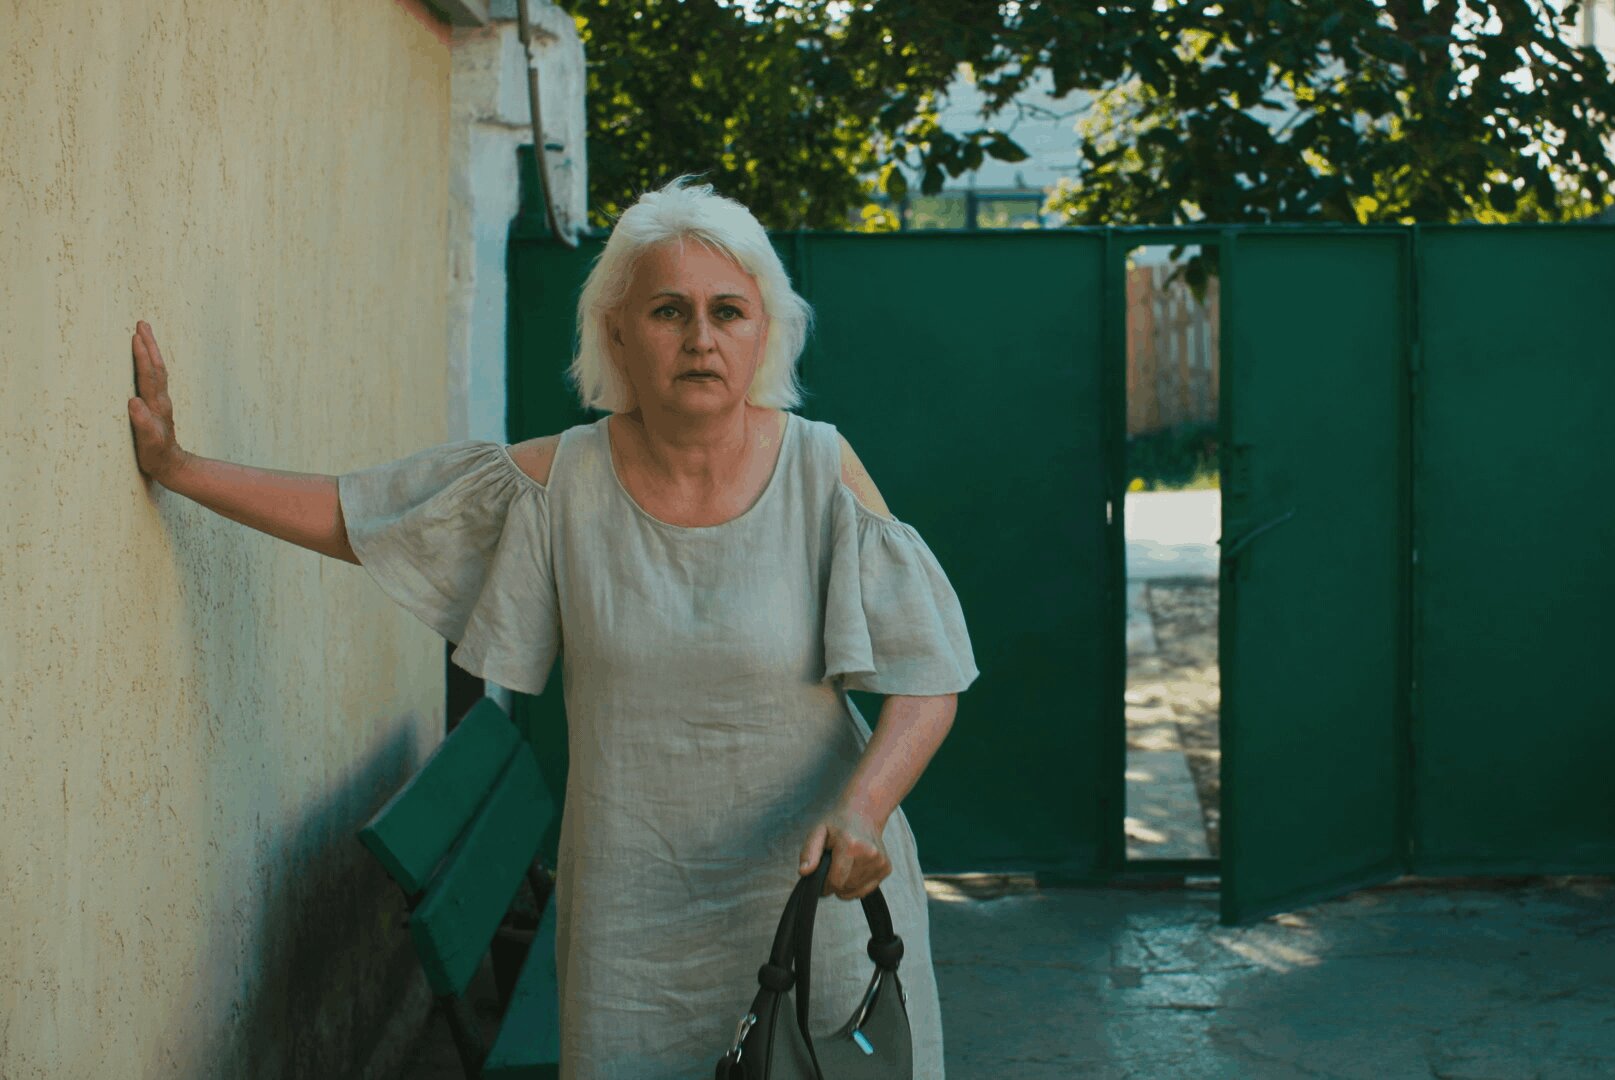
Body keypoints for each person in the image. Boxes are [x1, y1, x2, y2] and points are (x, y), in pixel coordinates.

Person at [126, 174, 979, 1078]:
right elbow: (364, 517)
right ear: (617, 332)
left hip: (815, 909)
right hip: (634, 937)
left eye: (728, 311)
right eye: (668, 311)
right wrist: (181, 468)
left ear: (763, 332)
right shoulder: (560, 485)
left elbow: (929, 676)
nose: (700, 337)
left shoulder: (821, 471)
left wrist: (864, 807)